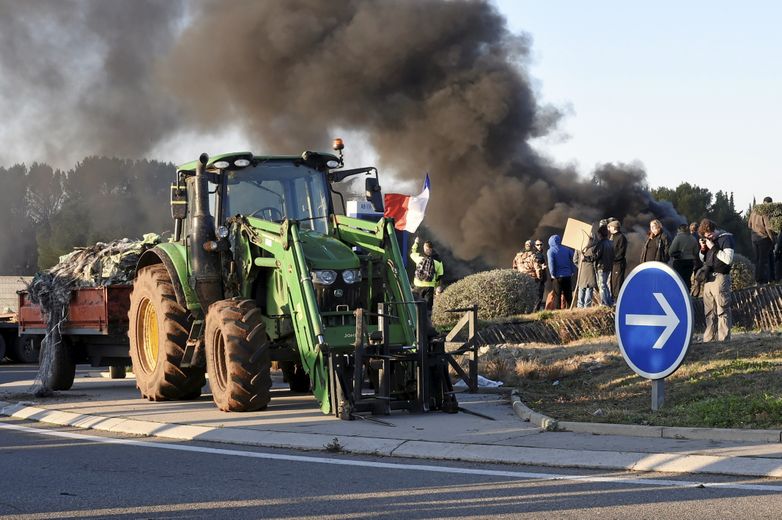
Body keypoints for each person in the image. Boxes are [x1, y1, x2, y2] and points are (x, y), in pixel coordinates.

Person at [696, 218, 735, 342]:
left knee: (722, 309)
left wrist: (713, 248)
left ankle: (724, 339)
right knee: (709, 311)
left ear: (713, 230)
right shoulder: (709, 241)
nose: (708, 238)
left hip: (720, 277)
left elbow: (728, 259)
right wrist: (703, 249)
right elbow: (703, 259)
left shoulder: (726, 239)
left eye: (709, 235)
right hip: (708, 278)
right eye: (705, 236)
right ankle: (708, 339)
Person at [748, 196, 777, 284]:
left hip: (754, 238)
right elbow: (768, 228)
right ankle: (763, 280)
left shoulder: (754, 211)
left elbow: (749, 225)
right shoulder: (765, 212)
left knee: (757, 259)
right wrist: (773, 239)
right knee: (763, 260)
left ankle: (757, 279)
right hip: (764, 238)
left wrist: (756, 229)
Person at [410, 237, 444, 311]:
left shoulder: (419, 257)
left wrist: (416, 242)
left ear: (424, 248)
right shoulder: (438, 260)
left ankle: (417, 317)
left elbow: (412, 253)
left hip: (418, 285)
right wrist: (436, 284)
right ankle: (427, 317)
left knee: (416, 306)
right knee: (428, 308)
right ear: (432, 248)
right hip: (430, 286)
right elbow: (440, 274)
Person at [546, 234, 575, 309]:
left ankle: (558, 310)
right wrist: (572, 270)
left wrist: (552, 274)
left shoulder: (550, 251)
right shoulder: (567, 249)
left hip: (557, 276)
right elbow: (574, 258)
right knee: (568, 294)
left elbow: (551, 263)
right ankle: (570, 309)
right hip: (568, 275)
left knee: (557, 295)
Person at [669, 223, 699, 292]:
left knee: (678, 280)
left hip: (679, 262)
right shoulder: (693, 238)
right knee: (687, 280)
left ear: (679, 229)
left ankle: (678, 295)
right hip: (690, 262)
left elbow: (671, 251)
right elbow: (696, 252)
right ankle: (687, 295)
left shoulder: (678, 238)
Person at [573, 233, 597, 308]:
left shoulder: (578, 248)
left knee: (582, 288)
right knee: (588, 289)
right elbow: (595, 258)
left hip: (583, 272)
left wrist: (580, 266)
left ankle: (580, 306)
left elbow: (575, 260)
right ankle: (587, 306)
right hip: (590, 271)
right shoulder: (594, 248)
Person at [593, 225, 614, 306]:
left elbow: (596, 255)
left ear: (600, 234)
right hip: (608, 266)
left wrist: (586, 258)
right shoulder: (610, 243)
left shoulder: (601, 243)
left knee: (602, 285)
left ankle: (604, 303)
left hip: (601, 267)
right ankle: (609, 302)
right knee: (605, 285)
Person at [607, 219, 627, 298]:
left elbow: (621, 252)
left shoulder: (621, 237)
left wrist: (613, 259)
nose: (609, 229)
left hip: (618, 264)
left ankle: (617, 299)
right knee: (612, 282)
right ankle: (613, 297)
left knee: (617, 282)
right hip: (612, 264)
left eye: (610, 227)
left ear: (614, 227)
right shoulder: (612, 237)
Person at [532, 239, 548, 310]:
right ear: (535, 246)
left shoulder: (540, 254)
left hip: (539, 279)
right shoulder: (537, 255)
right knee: (538, 297)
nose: (539, 246)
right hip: (538, 279)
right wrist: (542, 267)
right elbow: (535, 267)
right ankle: (535, 311)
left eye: (541, 244)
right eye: (537, 245)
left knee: (539, 297)